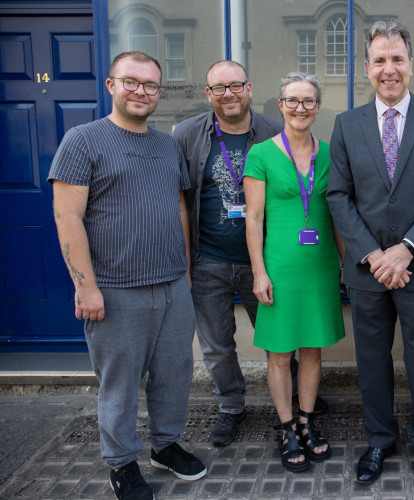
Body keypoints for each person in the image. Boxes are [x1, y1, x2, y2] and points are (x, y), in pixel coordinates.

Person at [48, 51, 206, 500]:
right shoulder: (82, 140)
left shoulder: (166, 145)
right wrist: (86, 285)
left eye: (151, 85)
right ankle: (120, 462)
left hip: (173, 284)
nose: (141, 91)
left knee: (175, 373)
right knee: (120, 383)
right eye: (131, 82)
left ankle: (165, 445)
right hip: (115, 291)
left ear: (160, 92)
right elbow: (67, 217)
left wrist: (186, 271)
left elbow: (178, 208)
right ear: (111, 85)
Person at [327, 20, 414, 488]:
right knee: (371, 362)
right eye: (380, 60)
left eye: (398, 59)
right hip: (368, 272)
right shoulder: (346, 125)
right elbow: (338, 196)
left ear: (410, 65)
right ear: (367, 68)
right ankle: (379, 440)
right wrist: (373, 254)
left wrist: (405, 250)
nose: (390, 69)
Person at [173, 60, 283, 446]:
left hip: (264, 260)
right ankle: (231, 406)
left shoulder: (275, 131)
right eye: (219, 88)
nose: (228, 94)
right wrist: (185, 262)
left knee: (277, 338)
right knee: (217, 346)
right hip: (209, 261)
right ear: (208, 94)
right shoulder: (186, 134)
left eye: (235, 85)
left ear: (249, 88)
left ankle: (293, 400)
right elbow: (180, 202)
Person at [244, 72, 345, 473]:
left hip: (319, 268)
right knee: (281, 353)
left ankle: (306, 420)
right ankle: (286, 427)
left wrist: (344, 263)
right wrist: (259, 273)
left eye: (308, 101)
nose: (300, 108)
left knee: (313, 350)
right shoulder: (261, 154)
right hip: (280, 268)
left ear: (318, 107)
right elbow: (252, 219)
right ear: (280, 105)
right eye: (292, 100)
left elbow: (338, 215)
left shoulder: (331, 152)